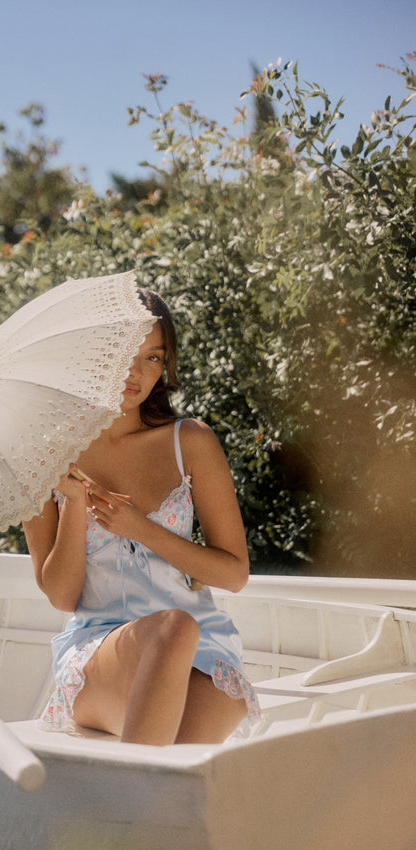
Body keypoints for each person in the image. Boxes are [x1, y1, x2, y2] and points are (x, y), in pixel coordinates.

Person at [23, 289, 260, 745]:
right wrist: (74, 503)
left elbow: (234, 575)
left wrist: (141, 529)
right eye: (124, 352)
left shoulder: (190, 441)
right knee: (173, 628)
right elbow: (62, 596)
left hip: (202, 650)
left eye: (153, 357)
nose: (137, 372)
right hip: (99, 650)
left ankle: (130, 789)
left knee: (177, 757)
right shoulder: (44, 458)